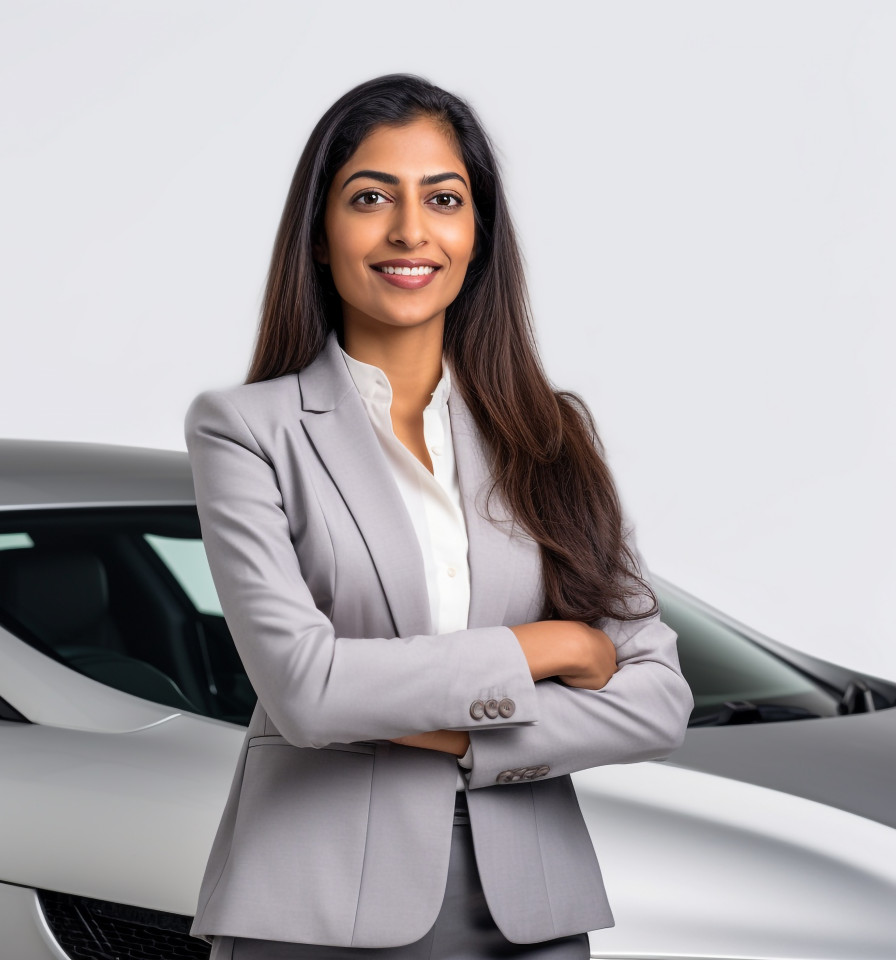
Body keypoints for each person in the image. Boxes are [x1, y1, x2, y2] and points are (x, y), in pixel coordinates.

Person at [185, 74, 694, 960]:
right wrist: (551, 650)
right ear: (318, 234)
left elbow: (657, 699)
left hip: (529, 913)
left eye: (444, 199)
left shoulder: (549, 433)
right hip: (316, 910)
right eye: (371, 197)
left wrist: (454, 734)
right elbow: (303, 691)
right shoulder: (246, 430)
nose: (409, 231)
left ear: (477, 234)